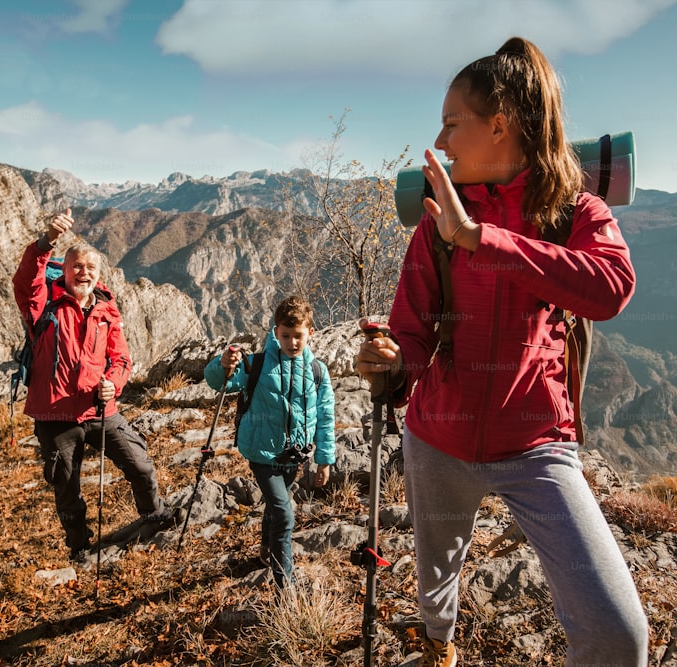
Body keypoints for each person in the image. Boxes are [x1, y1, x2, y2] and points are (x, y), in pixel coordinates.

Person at [354, 37, 649, 667]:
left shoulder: (573, 211)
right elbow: (413, 330)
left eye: (452, 124)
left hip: (537, 445)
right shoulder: (434, 225)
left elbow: (611, 288)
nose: (440, 140)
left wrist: (480, 238)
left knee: (620, 637)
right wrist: (392, 361)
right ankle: (439, 644)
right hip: (437, 437)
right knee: (436, 584)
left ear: (499, 125)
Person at [13, 208, 169, 562]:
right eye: (76, 266)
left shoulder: (106, 311)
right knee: (66, 486)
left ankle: (153, 512)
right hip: (55, 415)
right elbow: (25, 280)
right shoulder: (43, 304)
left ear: (99, 275)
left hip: (100, 409)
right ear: (64, 270)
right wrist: (46, 241)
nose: (83, 272)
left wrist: (113, 385)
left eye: (91, 268)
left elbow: (122, 360)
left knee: (140, 464)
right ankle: (80, 547)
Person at [204, 296, 335, 588]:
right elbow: (219, 380)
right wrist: (223, 363)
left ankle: (266, 550)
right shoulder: (259, 364)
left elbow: (325, 417)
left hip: (294, 455)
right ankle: (283, 582)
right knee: (285, 512)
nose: (292, 342)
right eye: (285, 335)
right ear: (275, 332)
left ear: (310, 333)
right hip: (262, 453)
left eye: (298, 335)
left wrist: (325, 458)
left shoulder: (317, 372)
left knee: (276, 507)